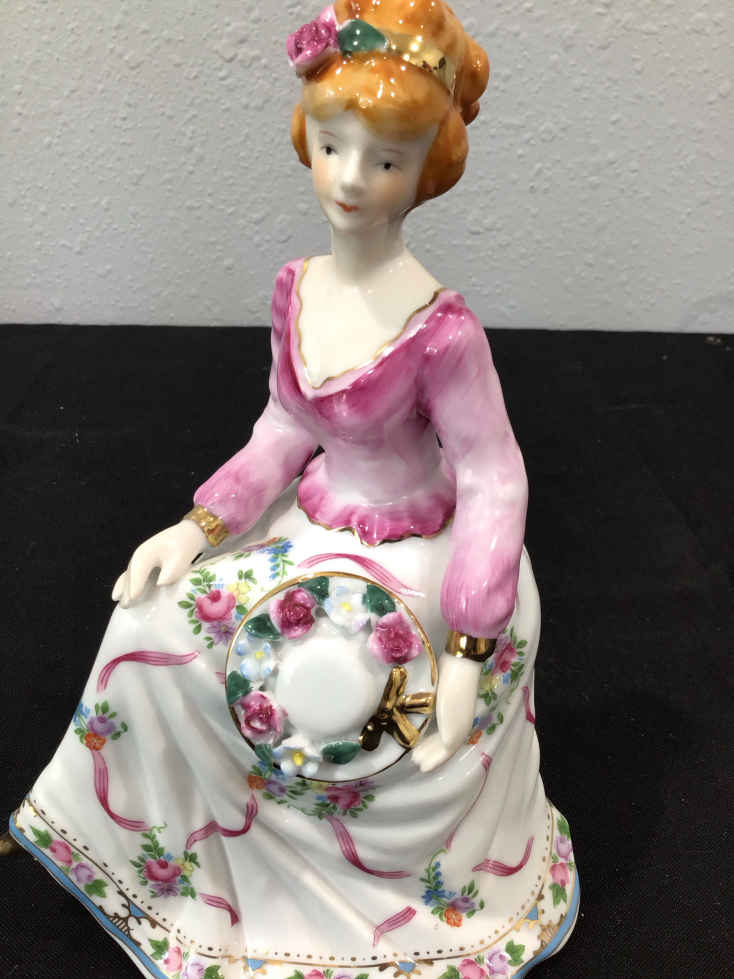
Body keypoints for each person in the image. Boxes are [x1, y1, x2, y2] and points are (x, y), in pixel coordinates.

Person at [7, 3, 578, 976]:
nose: (351, 179)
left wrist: (469, 645)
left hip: (419, 544)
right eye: (333, 145)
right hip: (314, 516)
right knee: (150, 623)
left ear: (426, 169)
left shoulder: (442, 332)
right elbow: (283, 427)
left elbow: (493, 473)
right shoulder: (297, 288)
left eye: (384, 159)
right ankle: (173, 871)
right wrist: (198, 525)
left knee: (350, 695)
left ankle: (365, 911)